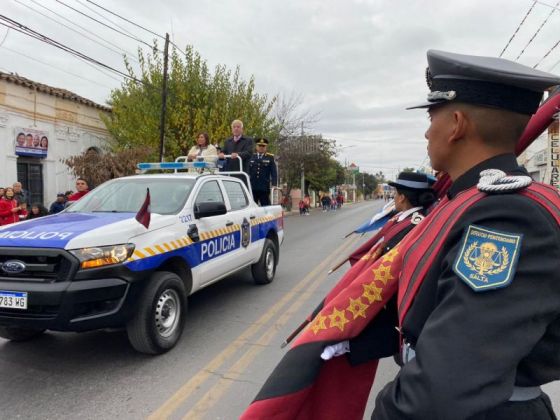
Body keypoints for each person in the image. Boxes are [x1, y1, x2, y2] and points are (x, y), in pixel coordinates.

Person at [371, 50, 560, 419]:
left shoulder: (506, 217)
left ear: (456, 124)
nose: (427, 131)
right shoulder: (467, 201)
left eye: (431, 117)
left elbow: (446, 383)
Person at [248, 138, 277, 206]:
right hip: (252, 186)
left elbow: (273, 172)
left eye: (263, 146)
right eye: (259, 146)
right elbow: (248, 170)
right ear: (256, 146)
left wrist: (274, 184)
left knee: (265, 207)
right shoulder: (252, 157)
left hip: (264, 187)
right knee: (252, 207)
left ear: (266, 147)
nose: (261, 147)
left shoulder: (270, 157)